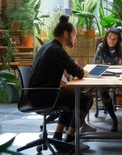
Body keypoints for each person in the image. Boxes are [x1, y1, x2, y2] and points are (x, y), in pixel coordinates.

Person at [29, 14, 94, 145]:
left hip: (37, 94)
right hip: (44, 97)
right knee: (85, 98)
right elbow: (79, 73)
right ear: (66, 34)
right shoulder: (57, 50)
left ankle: (58, 136)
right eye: (74, 35)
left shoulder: (47, 47)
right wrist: (86, 71)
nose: (75, 39)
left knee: (73, 96)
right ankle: (69, 139)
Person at [93, 27, 122, 132]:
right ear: (106, 37)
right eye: (110, 37)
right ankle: (114, 118)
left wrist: (109, 64)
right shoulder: (101, 47)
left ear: (118, 40)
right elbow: (96, 63)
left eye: (115, 38)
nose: (111, 40)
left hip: (120, 76)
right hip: (106, 76)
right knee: (101, 89)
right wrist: (112, 64)